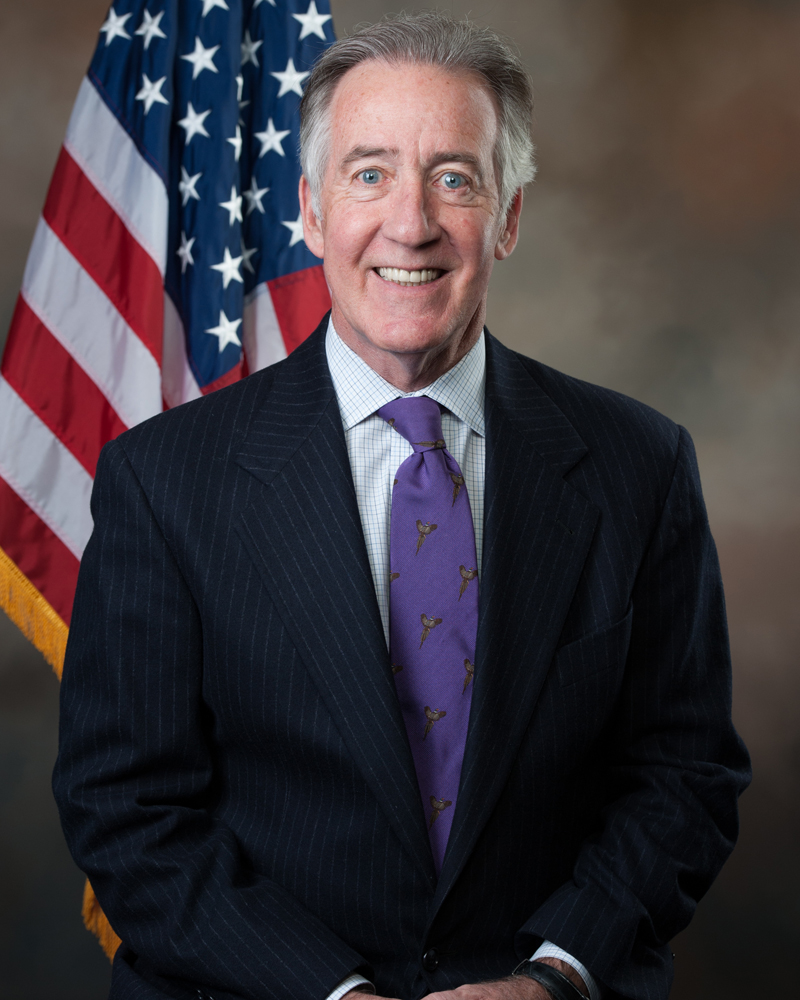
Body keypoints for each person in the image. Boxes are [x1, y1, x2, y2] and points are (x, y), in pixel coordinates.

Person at [53, 12, 750, 1000]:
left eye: (454, 178)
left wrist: (551, 976)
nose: (410, 222)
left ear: (506, 218)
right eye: (369, 172)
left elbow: (682, 776)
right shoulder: (164, 481)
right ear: (309, 207)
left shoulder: (638, 465)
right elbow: (126, 811)